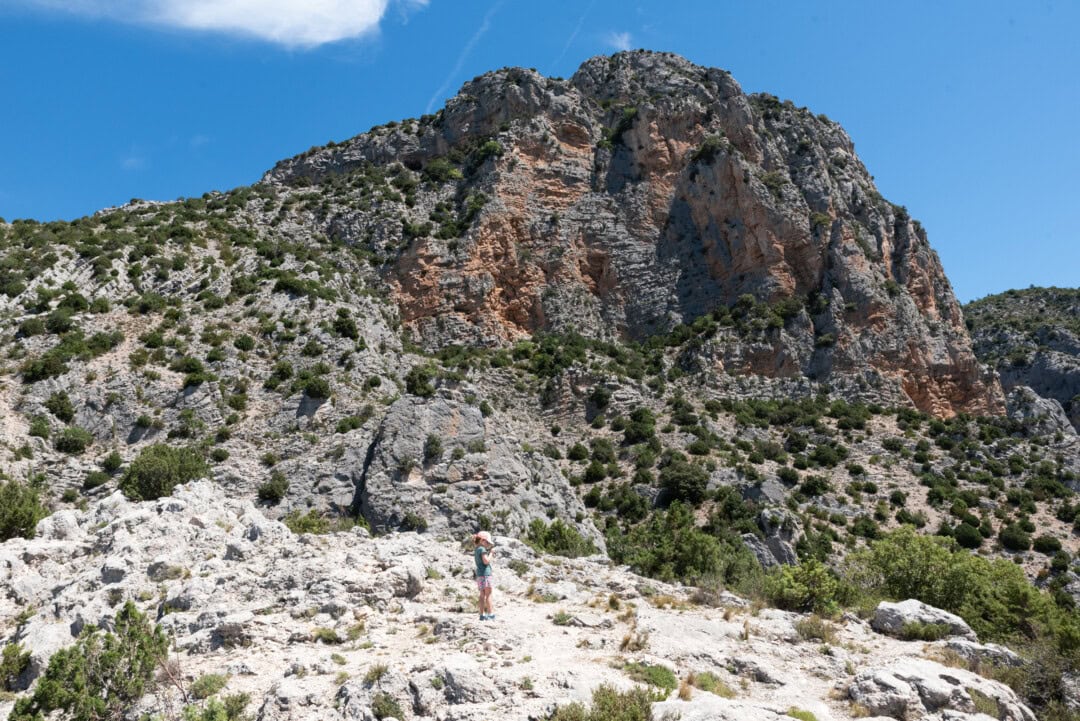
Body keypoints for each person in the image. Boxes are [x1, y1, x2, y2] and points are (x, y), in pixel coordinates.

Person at [473, 531, 495, 620]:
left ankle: (481, 615)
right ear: (482, 540)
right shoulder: (482, 549)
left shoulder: (477, 549)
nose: (488, 544)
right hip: (485, 574)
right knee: (488, 594)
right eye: (487, 542)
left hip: (479, 575)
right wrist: (492, 553)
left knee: (482, 595)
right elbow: (486, 561)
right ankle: (490, 614)